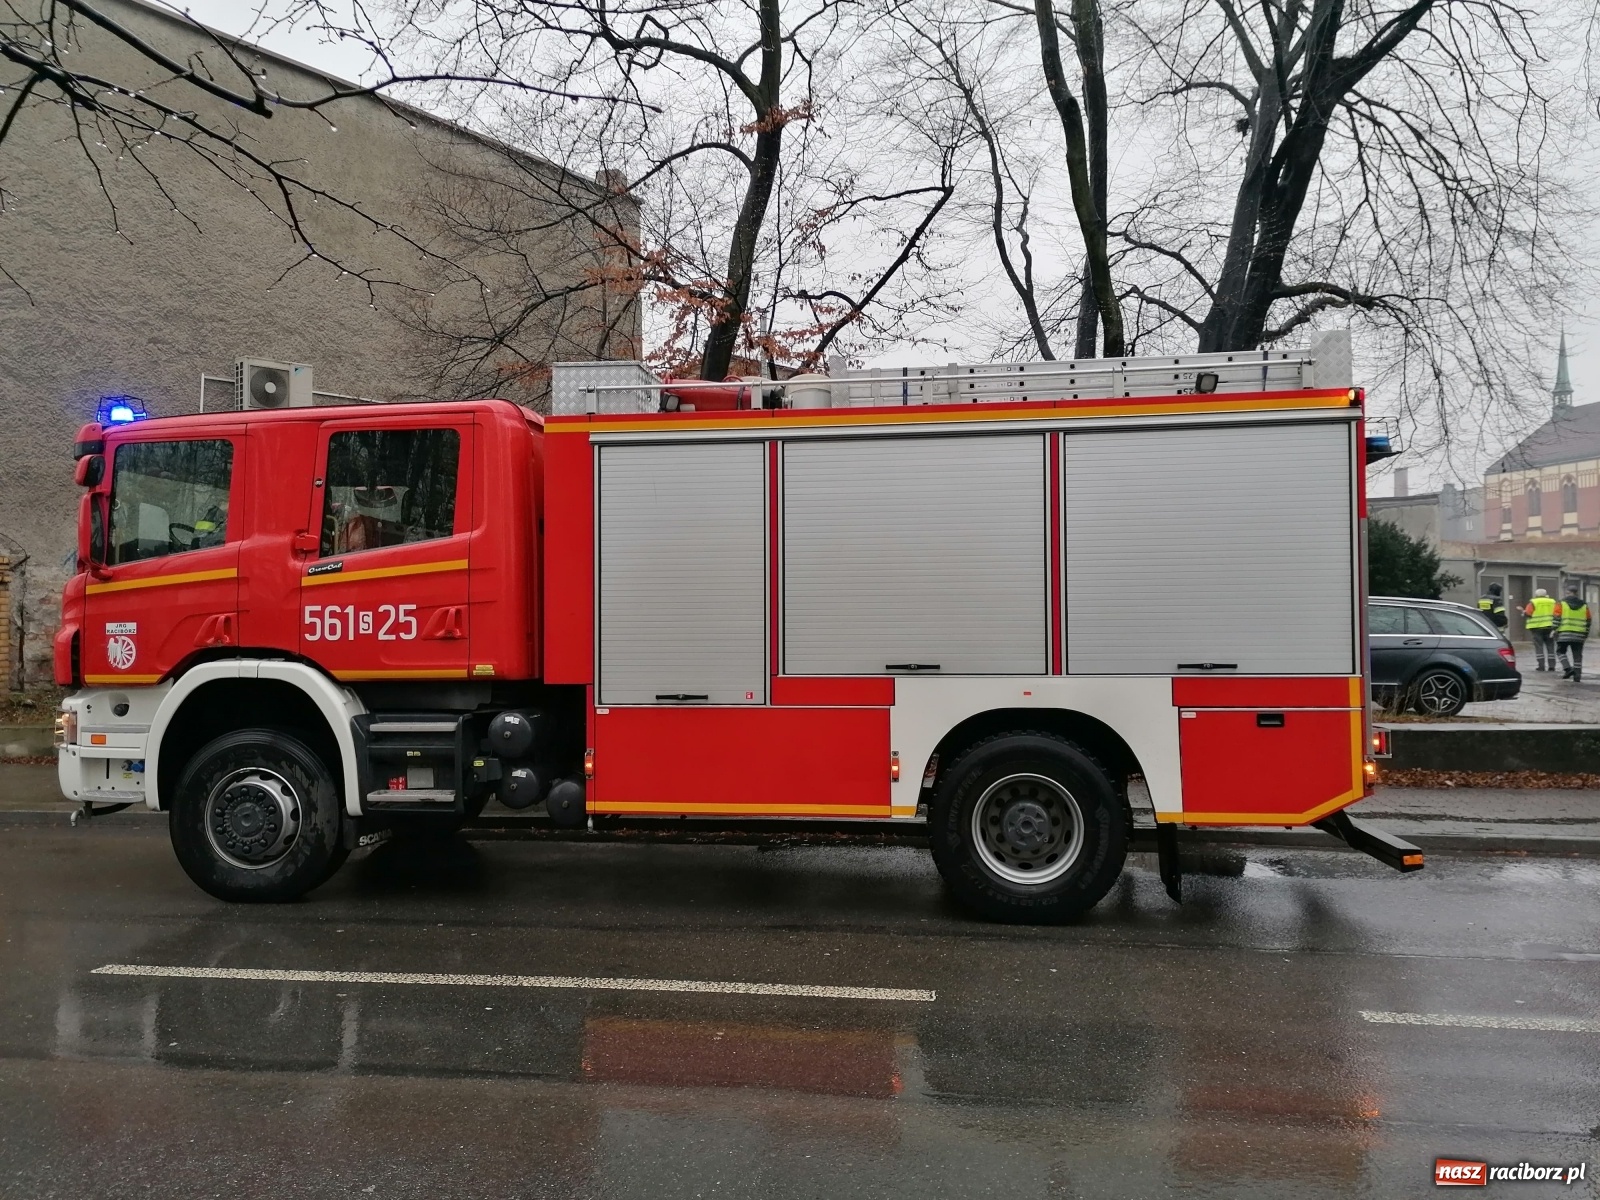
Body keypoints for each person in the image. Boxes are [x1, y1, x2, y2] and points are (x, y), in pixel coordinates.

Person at [1557, 583, 1591, 682]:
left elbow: (1557, 617)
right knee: (1577, 655)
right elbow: (1588, 620)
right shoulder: (1584, 605)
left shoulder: (1561, 603)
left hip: (1564, 633)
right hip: (1579, 634)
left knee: (1560, 652)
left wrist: (1554, 629)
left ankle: (1568, 668)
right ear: (1576, 593)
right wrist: (1586, 633)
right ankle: (1577, 676)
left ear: (1568, 592)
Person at [1524, 588, 1559, 671]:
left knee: (1539, 647)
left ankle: (1541, 666)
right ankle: (1552, 666)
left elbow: (1528, 613)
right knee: (1550, 647)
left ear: (1536, 595)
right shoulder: (1553, 602)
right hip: (1550, 627)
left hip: (1537, 628)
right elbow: (1557, 613)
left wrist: (1523, 612)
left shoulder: (1533, 602)